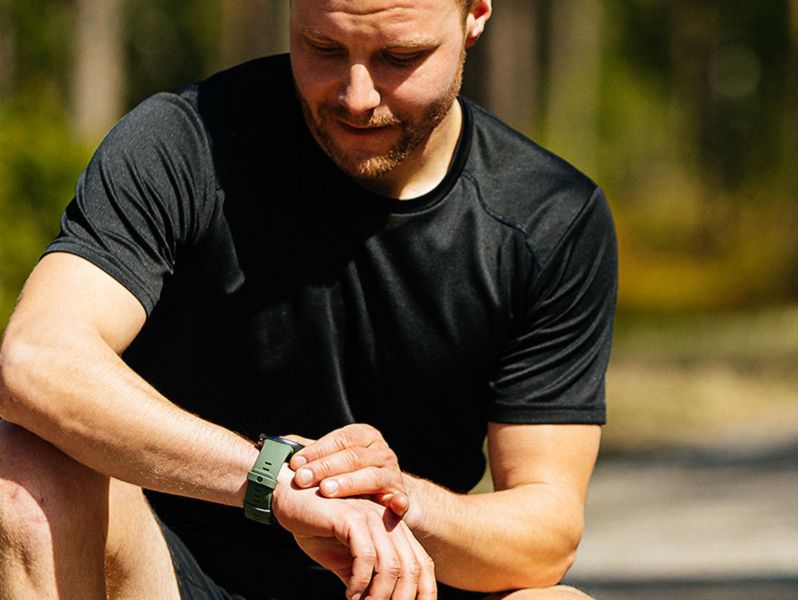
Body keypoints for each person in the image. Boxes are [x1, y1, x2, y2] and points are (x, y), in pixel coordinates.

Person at [0, 0, 617, 598]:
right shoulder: (185, 142)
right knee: (22, 474)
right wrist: (272, 480)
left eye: (400, 57)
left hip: (397, 578)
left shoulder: (549, 219)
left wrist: (391, 496)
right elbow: (38, 358)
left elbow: (546, 534)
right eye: (323, 48)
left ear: (474, 16)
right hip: (163, 572)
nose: (357, 96)